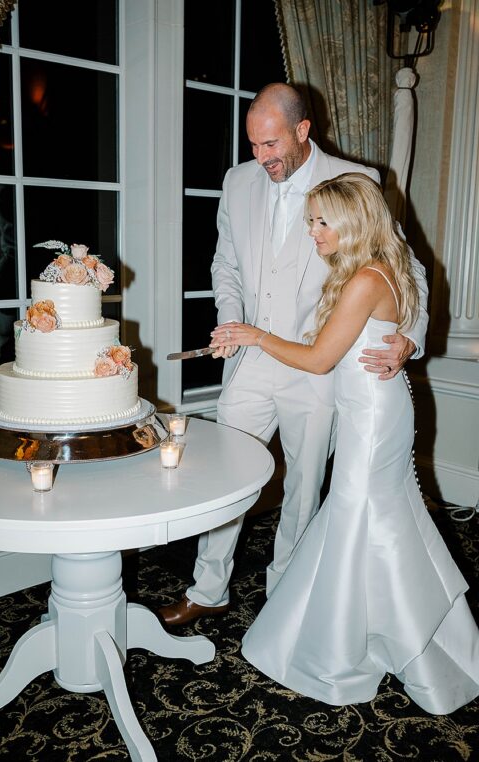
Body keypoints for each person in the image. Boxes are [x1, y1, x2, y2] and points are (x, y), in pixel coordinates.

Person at [158, 83, 429, 627]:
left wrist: (410, 336)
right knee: (225, 478)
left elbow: (410, 268)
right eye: (254, 145)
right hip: (252, 360)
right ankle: (209, 588)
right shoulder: (238, 182)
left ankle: (287, 594)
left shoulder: (358, 182)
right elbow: (225, 265)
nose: (262, 158)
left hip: (319, 365)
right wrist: (232, 321)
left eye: (272, 145)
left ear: (303, 131)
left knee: (305, 486)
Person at [212, 172, 479, 713]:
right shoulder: (373, 268)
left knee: (364, 517)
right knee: (373, 520)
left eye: (320, 222)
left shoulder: (365, 280)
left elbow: (318, 360)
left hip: (374, 418)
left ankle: (382, 639)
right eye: (310, 221)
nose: (312, 232)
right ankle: (395, 628)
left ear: (351, 222)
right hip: (375, 409)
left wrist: (254, 335)